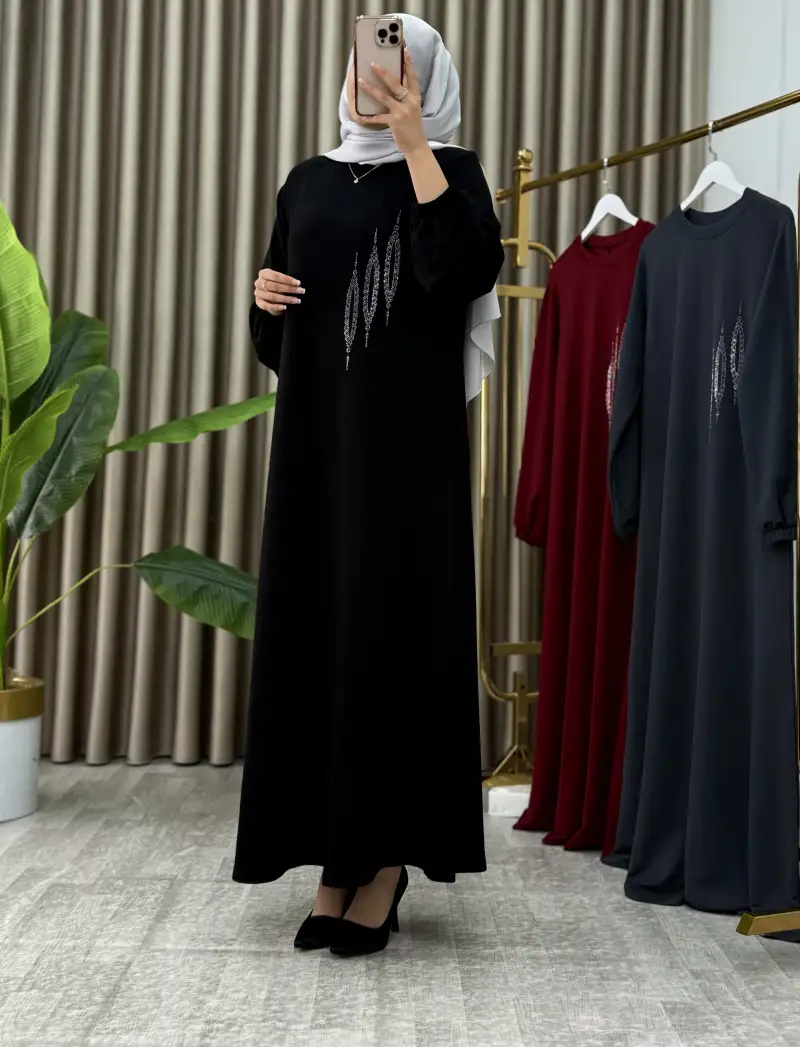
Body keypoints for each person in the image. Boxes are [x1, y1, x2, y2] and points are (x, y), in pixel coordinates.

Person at [232, 14, 504, 958]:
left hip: (407, 461)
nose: (370, 81)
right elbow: (281, 326)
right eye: (362, 65)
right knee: (321, 634)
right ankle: (332, 861)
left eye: (392, 68)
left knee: (392, 637)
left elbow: (462, 270)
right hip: (318, 451)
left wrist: (417, 143)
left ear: (422, 78)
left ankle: (382, 862)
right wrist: (264, 296)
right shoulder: (306, 180)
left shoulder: (454, 172)